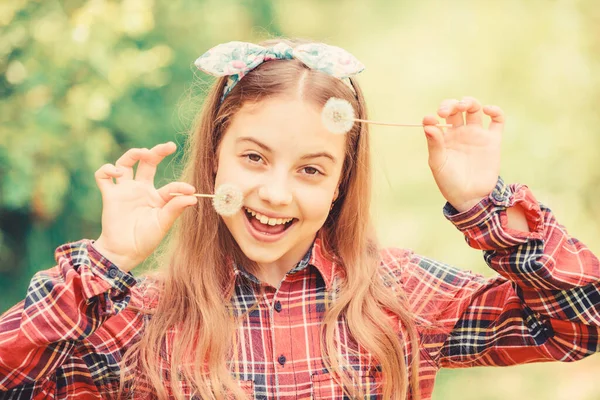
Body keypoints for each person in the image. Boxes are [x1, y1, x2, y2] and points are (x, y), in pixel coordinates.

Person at [0, 39, 598, 400]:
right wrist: (107, 263)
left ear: (341, 183)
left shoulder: (396, 298)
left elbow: (580, 324)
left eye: (311, 170)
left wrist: (482, 203)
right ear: (213, 158)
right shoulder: (138, 320)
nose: (276, 193)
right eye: (254, 158)